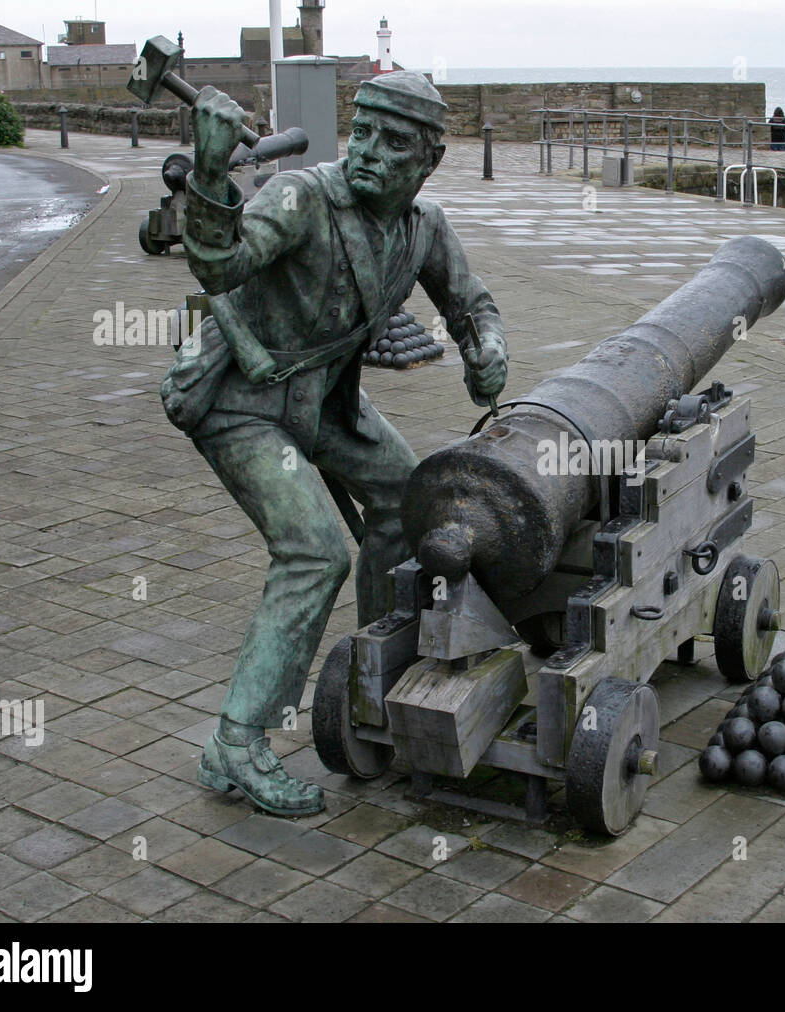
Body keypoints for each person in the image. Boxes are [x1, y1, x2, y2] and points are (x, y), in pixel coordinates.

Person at [159, 72, 507, 816]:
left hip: (324, 403)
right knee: (315, 552)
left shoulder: (423, 227)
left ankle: (372, 673)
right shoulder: (302, 198)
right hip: (242, 402)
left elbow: (470, 304)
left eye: (394, 142)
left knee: (408, 501)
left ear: (429, 160)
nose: (370, 153)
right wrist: (213, 174)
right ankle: (239, 741)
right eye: (365, 133)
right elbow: (219, 266)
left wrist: (488, 350)